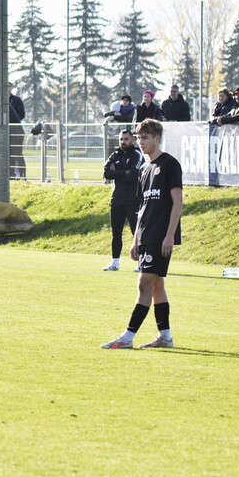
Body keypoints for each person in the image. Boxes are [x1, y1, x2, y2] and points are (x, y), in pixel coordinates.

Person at [100, 118, 183, 350]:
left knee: (144, 284)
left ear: (157, 139)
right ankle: (165, 337)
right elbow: (142, 207)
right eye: (139, 138)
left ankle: (127, 337)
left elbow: (178, 202)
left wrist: (170, 235)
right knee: (157, 286)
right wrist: (135, 239)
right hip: (145, 235)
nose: (141, 142)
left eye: (145, 138)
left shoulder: (169, 165)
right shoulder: (144, 169)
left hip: (160, 236)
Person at [101, 129, 143, 271]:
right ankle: (115, 262)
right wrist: (123, 172)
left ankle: (140, 262)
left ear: (132, 140)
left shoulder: (137, 155)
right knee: (116, 232)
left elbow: (133, 175)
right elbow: (106, 173)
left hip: (132, 200)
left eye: (126, 139)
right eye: (121, 139)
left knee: (135, 232)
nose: (123, 142)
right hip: (116, 199)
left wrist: (117, 173)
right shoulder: (115, 155)